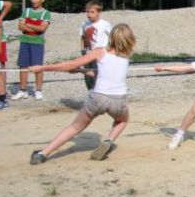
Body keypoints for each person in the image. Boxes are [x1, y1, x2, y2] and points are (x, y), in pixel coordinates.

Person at [29, 24, 136, 164]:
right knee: (122, 121)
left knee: (75, 127)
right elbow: (102, 74)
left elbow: (69, 65)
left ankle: (43, 154)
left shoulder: (100, 51)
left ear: (111, 37)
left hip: (98, 97)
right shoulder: (126, 56)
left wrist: (42, 68)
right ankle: (109, 141)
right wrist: (81, 71)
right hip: (119, 99)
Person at [13, 0, 51, 101]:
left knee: (38, 67)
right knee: (23, 66)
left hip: (37, 43)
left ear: (42, 0)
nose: (33, 1)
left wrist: (28, 24)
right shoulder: (27, 11)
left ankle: (38, 90)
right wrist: (35, 26)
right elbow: (20, 26)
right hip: (25, 41)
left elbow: (42, 29)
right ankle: (23, 90)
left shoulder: (46, 13)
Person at [79, 0, 113, 91]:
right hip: (87, 53)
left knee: (98, 74)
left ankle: (100, 93)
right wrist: (83, 51)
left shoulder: (105, 24)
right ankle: (90, 92)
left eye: (92, 12)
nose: (89, 14)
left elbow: (112, 37)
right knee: (87, 75)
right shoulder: (84, 24)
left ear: (99, 12)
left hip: (99, 55)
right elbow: (82, 38)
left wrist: (109, 51)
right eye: (87, 12)